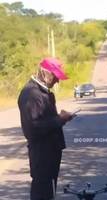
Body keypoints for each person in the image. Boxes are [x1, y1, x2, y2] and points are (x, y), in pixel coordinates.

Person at [18, 57, 74, 200]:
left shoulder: (43, 92)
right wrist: (60, 119)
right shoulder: (32, 94)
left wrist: (61, 119)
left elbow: (45, 120)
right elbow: (33, 128)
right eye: (55, 76)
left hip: (50, 151)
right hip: (42, 154)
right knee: (42, 193)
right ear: (45, 73)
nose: (57, 81)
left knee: (49, 192)